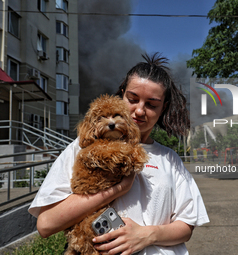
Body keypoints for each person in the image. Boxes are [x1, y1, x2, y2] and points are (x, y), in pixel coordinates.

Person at [28, 53, 209, 254]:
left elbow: (186, 226)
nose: (139, 111)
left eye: (151, 104)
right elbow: (46, 225)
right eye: (132, 99)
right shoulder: (82, 147)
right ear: (121, 95)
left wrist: (145, 235)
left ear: (163, 107)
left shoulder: (170, 159)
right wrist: (118, 189)